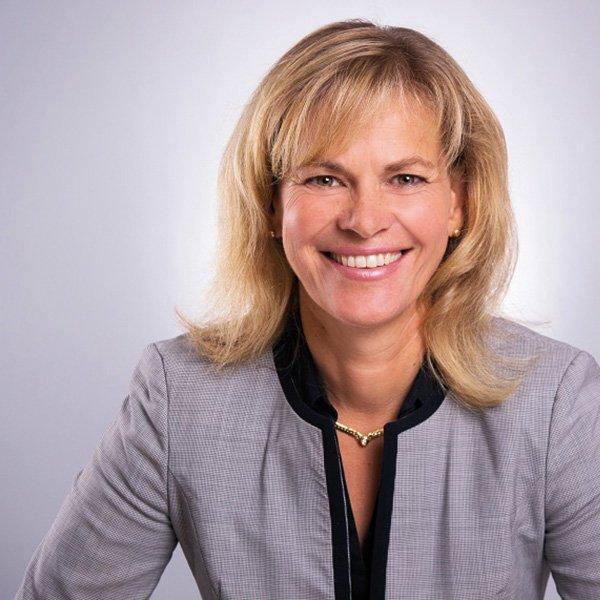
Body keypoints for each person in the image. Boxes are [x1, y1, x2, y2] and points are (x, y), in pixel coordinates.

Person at [14, 18, 600, 600]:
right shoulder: (180, 399)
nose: (365, 221)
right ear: (271, 204)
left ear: (459, 203)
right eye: (324, 179)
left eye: (405, 177)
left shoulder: (555, 400)